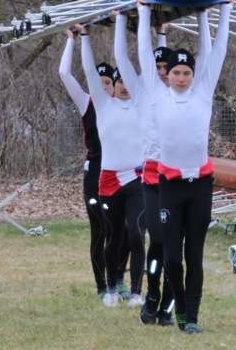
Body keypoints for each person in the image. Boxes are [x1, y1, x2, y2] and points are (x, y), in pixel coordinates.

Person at [137, 0, 233, 334]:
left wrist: (220, 10)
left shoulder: (202, 92)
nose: (181, 77)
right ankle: (176, 308)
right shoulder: (157, 94)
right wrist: (143, 12)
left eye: (186, 72)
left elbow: (215, 51)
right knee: (172, 258)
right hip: (170, 186)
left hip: (201, 186)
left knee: (194, 255)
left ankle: (190, 316)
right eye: (176, 72)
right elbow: (141, 54)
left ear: (193, 74)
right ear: (168, 75)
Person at [79, 19, 146, 308]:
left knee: (136, 231)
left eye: (129, 82)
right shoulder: (103, 105)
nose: (125, 87)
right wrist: (84, 36)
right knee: (113, 236)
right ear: (114, 86)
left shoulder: (143, 104)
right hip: (108, 179)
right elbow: (89, 70)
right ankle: (109, 288)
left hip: (136, 178)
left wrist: (156, 30)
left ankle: (136, 292)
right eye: (120, 82)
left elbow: (144, 59)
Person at [114, 20, 177, 325]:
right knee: (158, 241)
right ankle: (151, 297)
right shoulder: (141, 92)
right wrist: (124, 19)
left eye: (167, 68)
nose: (163, 72)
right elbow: (125, 57)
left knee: (174, 246)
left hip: (180, 179)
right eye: (158, 68)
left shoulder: (184, 94)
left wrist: (162, 32)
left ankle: (168, 306)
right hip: (152, 177)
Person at [58, 30, 115, 299]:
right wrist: (73, 39)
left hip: (119, 172)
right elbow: (64, 73)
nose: (103, 87)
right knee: (99, 230)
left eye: (108, 83)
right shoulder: (86, 102)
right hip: (94, 173)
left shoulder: (122, 105)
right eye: (99, 82)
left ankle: (117, 281)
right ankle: (101, 285)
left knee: (121, 230)